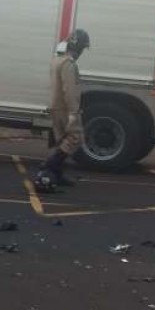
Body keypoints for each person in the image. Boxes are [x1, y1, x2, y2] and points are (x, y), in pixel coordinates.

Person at [35, 28, 91, 190]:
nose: (82, 52)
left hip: (55, 105)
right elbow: (70, 90)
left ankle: (57, 175)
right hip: (64, 108)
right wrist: (74, 112)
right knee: (74, 138)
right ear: (77, 46)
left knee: (61, 140)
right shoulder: (68, 64)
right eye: (82, 48)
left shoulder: (57, 59)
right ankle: (49, 166)